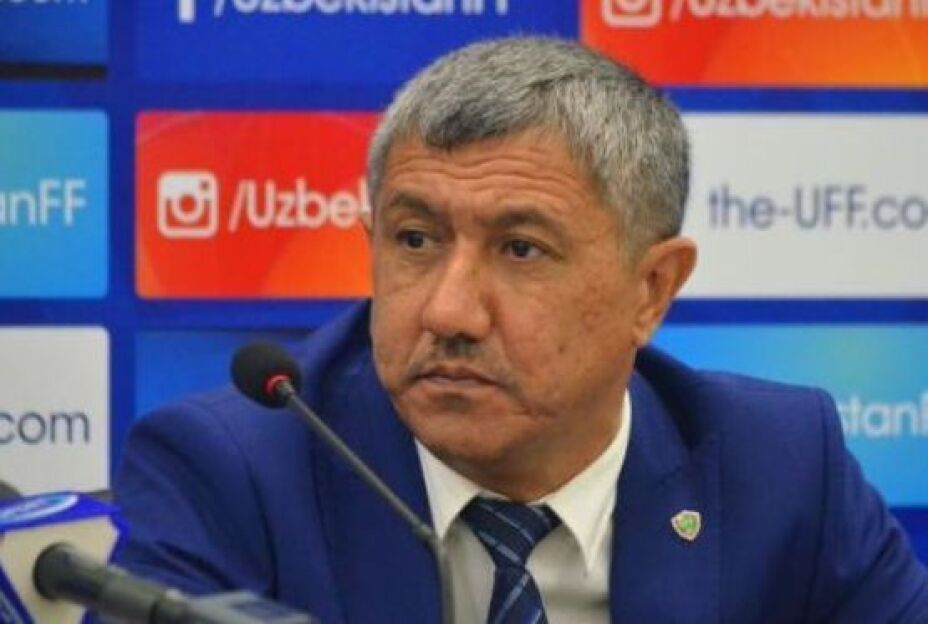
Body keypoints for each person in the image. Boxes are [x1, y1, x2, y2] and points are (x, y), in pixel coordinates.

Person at [113, 37, 928, 623]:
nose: (448, 312)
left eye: (521, 249)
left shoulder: (783, 468)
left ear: (652, 290)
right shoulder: (229, 472)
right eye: (415, 240)